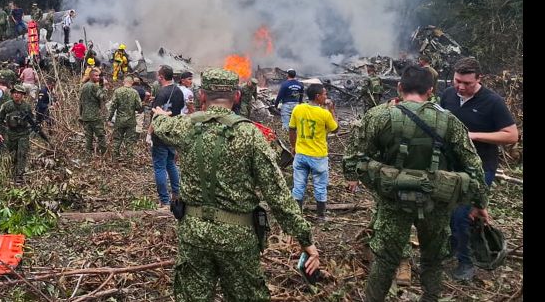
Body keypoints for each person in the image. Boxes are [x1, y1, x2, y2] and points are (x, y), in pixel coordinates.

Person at [151, 68, 320, 301]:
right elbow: (278, 194)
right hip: (238, 239)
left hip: (193, 235)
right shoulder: (250, 134)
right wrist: (305, 240)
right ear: (237, 97)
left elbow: (160, 125)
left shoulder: (185, 127)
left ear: (202, 96)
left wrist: (159, 115)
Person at [343, 65, 491, 301]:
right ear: (431, 91)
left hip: (393, 202)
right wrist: (480, 203)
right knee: (432, 261)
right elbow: (474, 165)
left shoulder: (378, 116)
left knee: (385, 261)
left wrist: (380, 180)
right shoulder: (449, 121)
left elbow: (351, 162)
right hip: (436, 202)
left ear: (399, 87)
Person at [439, 57, 518, 281]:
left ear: (479, 79)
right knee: (448, 212)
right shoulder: (448, 95)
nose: (461, 87)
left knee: (464, 215)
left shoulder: (493, 102)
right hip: (450, 166)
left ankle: (466, 263)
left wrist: (472, 136)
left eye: (467, 83)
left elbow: (511, 135)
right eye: (457, 81)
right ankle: (451, 249)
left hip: (480, 168)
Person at [288, 83, 338, 220]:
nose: (326, 96)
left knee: (298, 185)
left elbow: (292, 129)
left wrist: (294, 146)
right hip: (318, 156)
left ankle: (297, 215)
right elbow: (335, 129)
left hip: (301, 154)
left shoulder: (298, 109)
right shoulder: (324, 113)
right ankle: (321, 216)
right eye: (324, 94)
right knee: (320, 186)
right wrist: (332, 110)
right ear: (318, 96)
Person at [148, 65, 185, 208]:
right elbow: (179, 109)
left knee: (159, 167)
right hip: (173, 132)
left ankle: (164, 200)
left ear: (161, 77)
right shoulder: (178, 91)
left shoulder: (162, 93)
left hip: (160, 134)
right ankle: (176, 193)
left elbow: (156, 115)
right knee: (171, 163)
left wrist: (149, 133)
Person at [0, 84, 47, 183]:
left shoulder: (26, 106)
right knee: (13, 154)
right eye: (14, 93)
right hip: (11, 133)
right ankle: (13, 172)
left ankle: (20, 174)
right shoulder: (7, 106)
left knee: (22, 153)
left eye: (18, 93)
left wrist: (36, 126)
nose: (16, 95)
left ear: (23, 95)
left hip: (23, 133)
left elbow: (32, 119)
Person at [108, 76, 144, 158]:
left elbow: (112, 106)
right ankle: (129, 157)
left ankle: (115, 155)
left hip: (119, 120)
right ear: (132, 83)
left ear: (123, 82)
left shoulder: (118, 91)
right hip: (131, 120)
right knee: (130, 140)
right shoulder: (134, 92)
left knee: (117, 138)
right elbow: (139, 106)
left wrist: (109, 119)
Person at [79, 67, 108, 155]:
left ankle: (88, 154)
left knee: (88, 137)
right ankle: (103, 153)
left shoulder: (83, 86)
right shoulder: (94, 86)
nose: (98, 77)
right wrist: (104, 87)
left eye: (98, 75)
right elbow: (103, 97)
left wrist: (81, 115)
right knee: (101, 135)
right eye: (96, 76)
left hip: (86, 116)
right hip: (95, 116)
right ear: (91, 76)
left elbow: (80, 102)